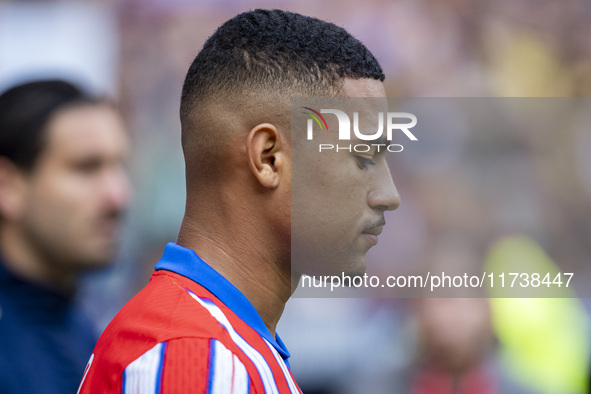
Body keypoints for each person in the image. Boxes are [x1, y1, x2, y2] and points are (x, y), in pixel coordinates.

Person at [79, 9, 400, 393]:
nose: (389, 195)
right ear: (268, 158)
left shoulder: (217, 344)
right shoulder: (198, 357)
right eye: (363, 158)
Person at [0, 80, 131, 394]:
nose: (118, 196)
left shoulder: (81, 326)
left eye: (119, 166)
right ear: (8, 187)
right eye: (87, 168)